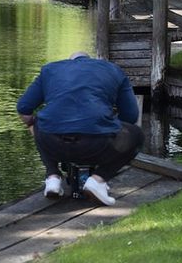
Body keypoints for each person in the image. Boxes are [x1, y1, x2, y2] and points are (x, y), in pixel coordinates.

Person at [16, 51, 143, 206]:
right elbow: (130, 116)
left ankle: (52, 176)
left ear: (70, 61)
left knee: (36, 124)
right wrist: (109, 125)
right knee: (136, 135)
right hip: (96, 143)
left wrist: (33, 123)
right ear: (90, 60)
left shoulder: (49, 70)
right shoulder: (113, 69)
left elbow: (23, 109)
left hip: (52, 141)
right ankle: (98, 179)